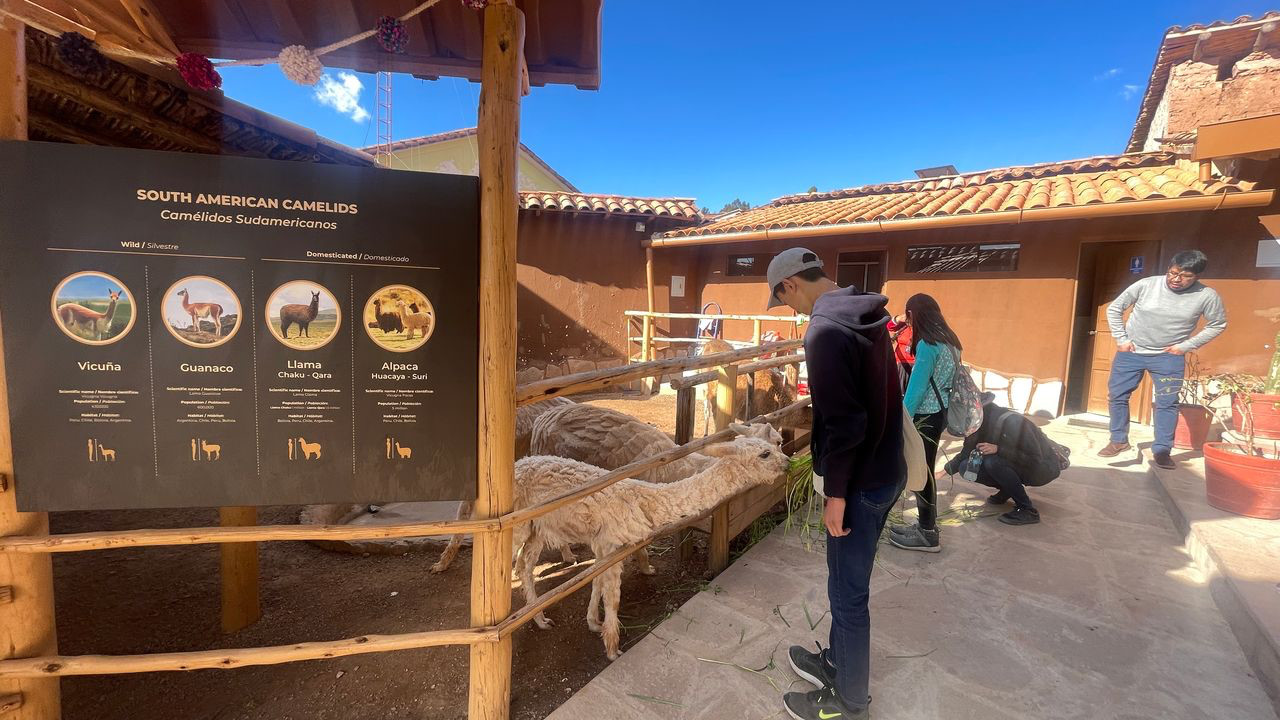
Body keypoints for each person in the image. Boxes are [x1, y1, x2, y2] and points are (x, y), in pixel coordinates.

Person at [765, 247, 906, 720]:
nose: (790, 309)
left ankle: (850, 704)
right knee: (847, 583)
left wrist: (836, 495)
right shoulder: (865, 313)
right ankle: (839, 663)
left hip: (861, 482)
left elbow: (845, 424)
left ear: (790, 285)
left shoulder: (824, 332)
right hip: (886, 469)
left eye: (783, 300)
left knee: (848, 595)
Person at [1100, 250, 1227, 469]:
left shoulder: (1207, 296)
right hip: (1131, 353)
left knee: (1167, 404)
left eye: (1185, 275)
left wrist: (1185, 346)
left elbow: (1217, 323)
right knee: (1117, 396)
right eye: (1173, 273)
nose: (1176, 279)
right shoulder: (1146, 285)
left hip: (1168, 357)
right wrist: (1121, 339)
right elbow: (1115, 308)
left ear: (1197, 276)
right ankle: (1118, 440)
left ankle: (1162, 450)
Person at [888, 294, 962, 553]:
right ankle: (924, 525)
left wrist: (901, 420)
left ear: (911, 315)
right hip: (940, 413)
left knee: (923, 472)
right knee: (925, 468)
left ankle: (928, 532)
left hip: (924, 416)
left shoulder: (928, 345)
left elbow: (916, 389)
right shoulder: (951, 342)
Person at [944, 393, 1060, 525]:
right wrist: (941, 472)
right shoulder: (976, 425)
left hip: (1042, 469)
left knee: (992, 462)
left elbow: (1034, 460)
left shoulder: (1013, 422)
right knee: (966, 467)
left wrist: (999, 449)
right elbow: (966, 453)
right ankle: (1008, 489)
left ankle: (1027, 509)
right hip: (1017, 463)